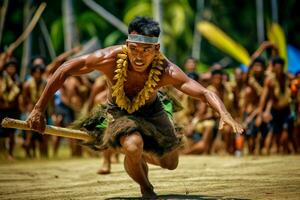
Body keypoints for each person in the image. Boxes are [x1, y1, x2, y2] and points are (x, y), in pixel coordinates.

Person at [26, 16, 243, 198]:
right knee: (132, 145)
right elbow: (64, 69)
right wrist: (38, 109)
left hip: (153, 111)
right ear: (127, 45)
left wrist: (224, 113)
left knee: (170, 163)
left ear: (156, 49)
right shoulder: (108, 59)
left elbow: (204, 92)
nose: (139, 56)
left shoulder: (166, 70)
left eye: (146, 50)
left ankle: (134, 155)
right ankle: (145, 186)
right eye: (135, 49)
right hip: (118, 111)